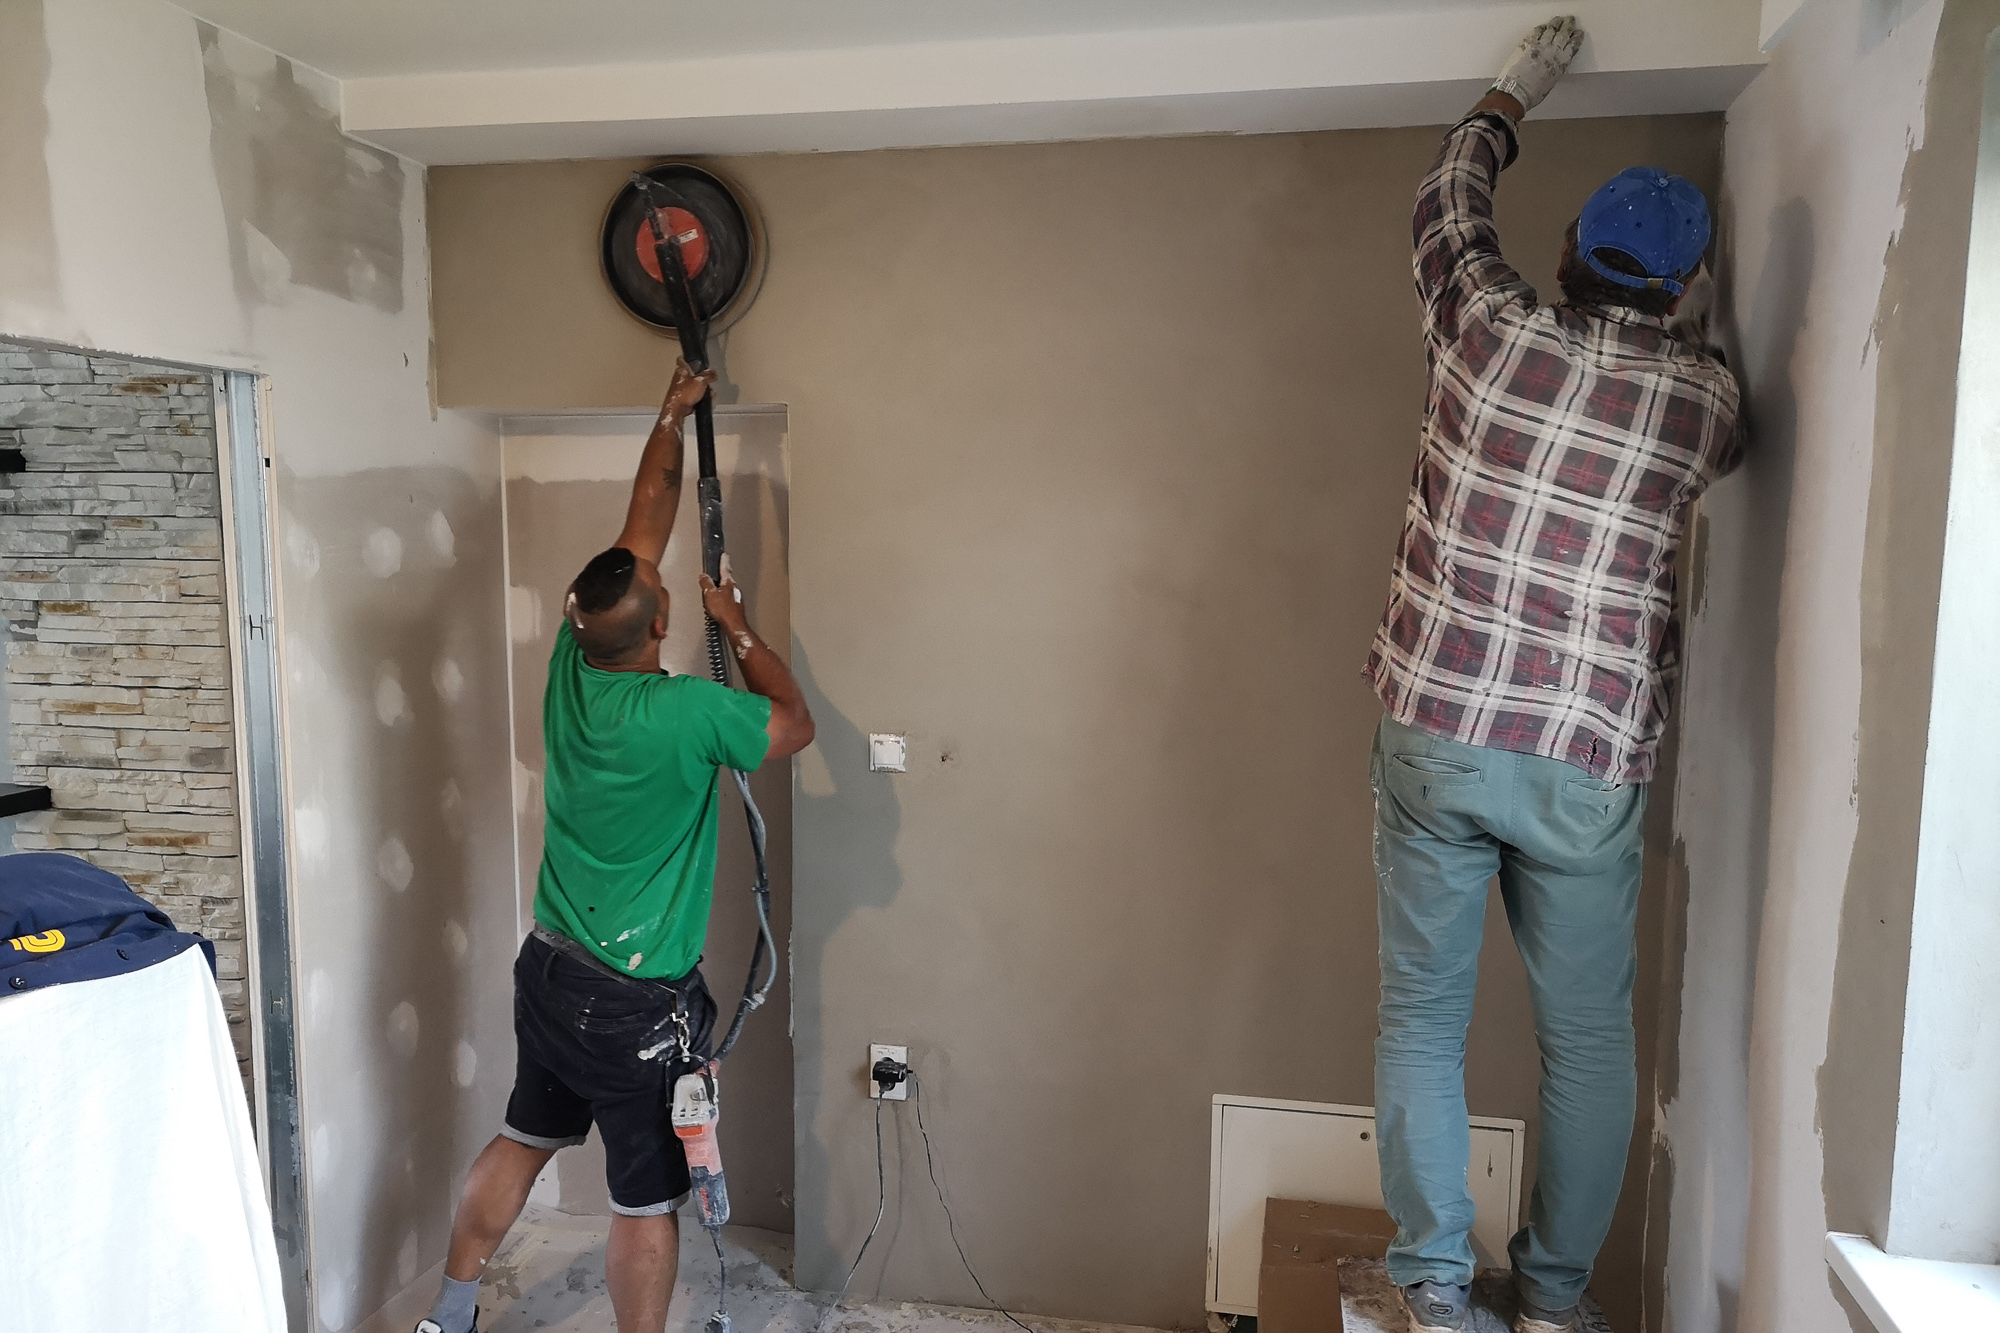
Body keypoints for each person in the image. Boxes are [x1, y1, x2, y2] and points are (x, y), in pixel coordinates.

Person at [1362, 17, 1742, 1333]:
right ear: (1681, 291)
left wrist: (1513, 91)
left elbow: (1446, 194)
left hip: (1439, 725)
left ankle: (1432, 1283)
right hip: (1586, 760)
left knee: (1423, 1017)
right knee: (1584, 1040)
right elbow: (1720, 436)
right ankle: (1551, 1299)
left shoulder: (1487, 325)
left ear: (1571, 248)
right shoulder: (1703, 400)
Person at [416, 360, 815, 1333]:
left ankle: (447, 1316)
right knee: (646, 1204)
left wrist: (670, 416)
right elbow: (794, 725)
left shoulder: (573, 657)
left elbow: (641, 526)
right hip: (635, 1005)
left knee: (523, 1137)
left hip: (550, 970)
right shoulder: (688, 713)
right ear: (663, 622)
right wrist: (741, 629)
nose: (652, 566)